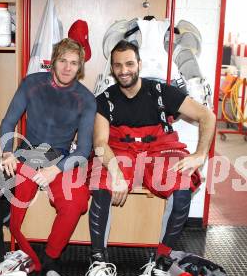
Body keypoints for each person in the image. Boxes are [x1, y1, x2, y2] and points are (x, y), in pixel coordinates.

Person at [0, 38, 96, 276]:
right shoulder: (32, 84)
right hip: (25, 153)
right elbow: (7, 122)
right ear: (53, 61)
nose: (67, 67)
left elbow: (84, 149)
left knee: (75, 202)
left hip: (61, 158)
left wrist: (56, 170)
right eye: (63, 60)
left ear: (80, 67)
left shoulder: (86, 99)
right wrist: (7, 152)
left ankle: (51, 258)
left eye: (74, 63)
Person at [88, 40, 216, 263]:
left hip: (159, 150)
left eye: (129, 64)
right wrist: (116, 172)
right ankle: (98, 261)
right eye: (118, 65)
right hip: (121, 152)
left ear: (139, 63)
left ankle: (162, 259)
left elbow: (207, 116)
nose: (124, 70)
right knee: (102, 184)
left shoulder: (161, 92)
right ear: (112, 68)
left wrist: (200, 154)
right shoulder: (104, 100)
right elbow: (100, 142)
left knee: (183, 185)